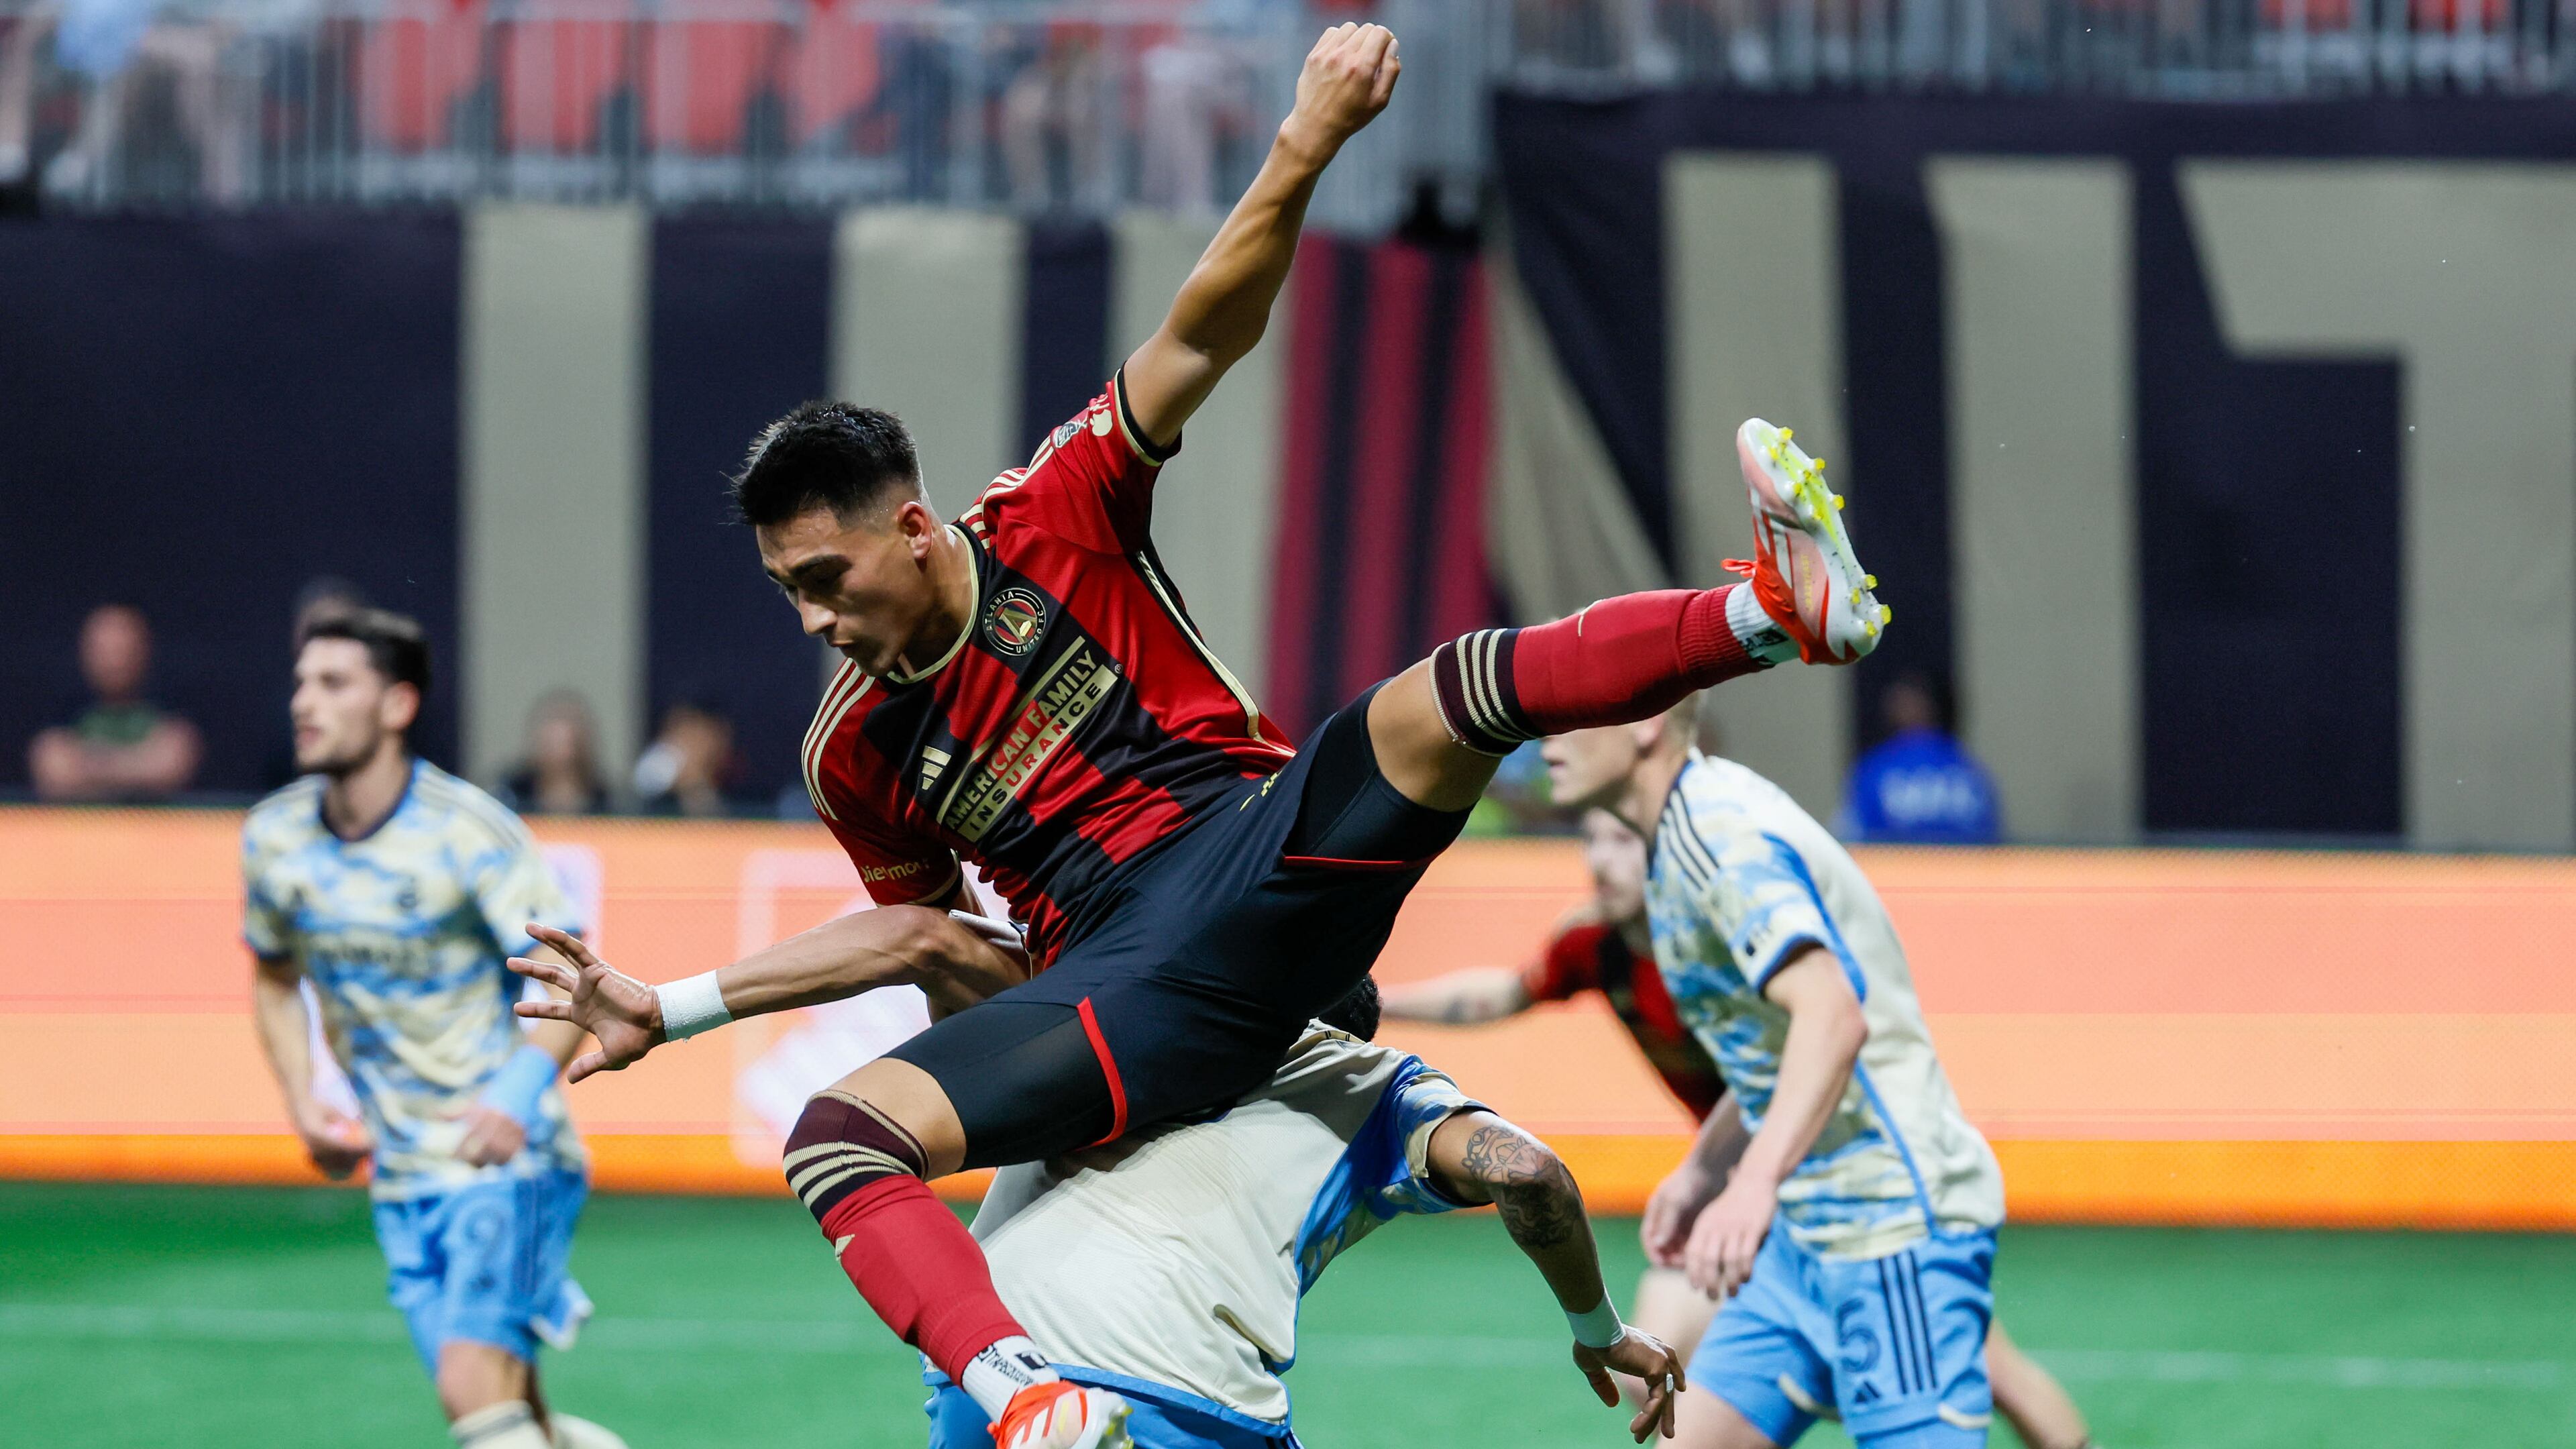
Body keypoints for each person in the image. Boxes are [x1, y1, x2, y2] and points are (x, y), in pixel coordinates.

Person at [593, 21, 1884, 1449]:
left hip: (1263, 855)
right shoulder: (854, 753)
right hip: (1128, 992)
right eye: (787, 597)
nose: (813, 626)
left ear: (914, 527)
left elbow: (1203, 329)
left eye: (825, 583)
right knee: (841, 1138)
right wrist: (681, 1006)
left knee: (1444, 691)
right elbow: (930, 948)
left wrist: (1310, 135)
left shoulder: (1054, 513)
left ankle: (1775, 611)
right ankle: (1035, 1399)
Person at [510, 932, 1686, 1449]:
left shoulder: (1121, 1003)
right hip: (1180, 1411)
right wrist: (1599, 1332)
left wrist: (672, 1008)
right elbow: (1531, 1173)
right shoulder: (1382, 1088)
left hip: (988, 1381)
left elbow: (922, 938)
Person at [1385, 806, 2095, 1449]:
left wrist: (1705, 1171)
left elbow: (1797, 1050)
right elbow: (1502, 993)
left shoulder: (1721, 936)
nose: (1601, 859)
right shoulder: (1595, 945)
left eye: (1622, 841)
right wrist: (1379, 1002)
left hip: (1826, 1178)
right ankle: (1816, 1372)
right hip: (1738, 1188)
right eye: (1592, 839)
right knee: (1647, 1371)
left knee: (1991, 1370)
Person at [1538, 700, 2007, 1449]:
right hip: (1804, 1237)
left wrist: (1751, 1183)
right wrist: (1704, 1171)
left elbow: (1832, 1017)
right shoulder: (1673, 844)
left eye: (1573, 711)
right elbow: (1778, 1044)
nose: (1548, 734)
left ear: (1645, 726)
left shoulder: (1717, 835)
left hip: (1891, 1230)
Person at [241, 608, 625, 1449]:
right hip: (402, 1173)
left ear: (397, 704)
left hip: (509, 1163)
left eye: (334, 683)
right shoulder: (275, 840)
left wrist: (516, 1097)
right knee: (516, 1413)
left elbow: (569, 967)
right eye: (303, 682)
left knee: (469, 1390)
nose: (305, 702)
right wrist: (304, 1102)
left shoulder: (466, 832)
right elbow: (273, 975)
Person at [28, 602, 201, 801]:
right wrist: (138, 765)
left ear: (144, 649)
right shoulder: (62, 716)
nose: (115, 661)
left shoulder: (171, 713)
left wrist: (87, 766)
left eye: (123, 648)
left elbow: (171, 767)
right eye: (105, 650)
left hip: (155, 830)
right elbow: (54, 771)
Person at [1837, 672, 2001, 845]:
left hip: (1927, 869)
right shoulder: (1968, 767)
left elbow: (1852, 838)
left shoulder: (1877, 767)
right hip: (1916, 868)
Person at [500, 690, 611, 816]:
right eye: (552, 739)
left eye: (566, 740)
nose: (560, 749)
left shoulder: (607, 799)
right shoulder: (510, 795)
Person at [630, 698, 739, 817]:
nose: (684, 744)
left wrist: (694, 785)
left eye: (697, 736)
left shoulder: (744, 791)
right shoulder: (645, 799)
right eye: (677, 732)